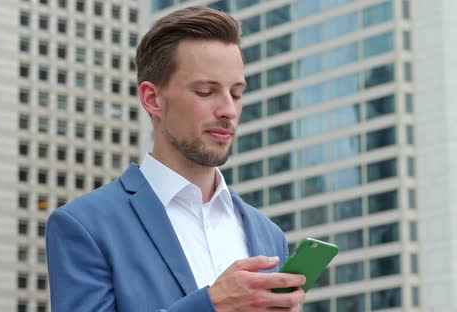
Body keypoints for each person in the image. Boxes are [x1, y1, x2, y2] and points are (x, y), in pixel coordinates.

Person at [45, 6, 306, 312]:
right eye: (206, 91)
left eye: (235, 94)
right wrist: (211, 306)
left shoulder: (269, 234)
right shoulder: (85, 226)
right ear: (152, 99)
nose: (228, 111)